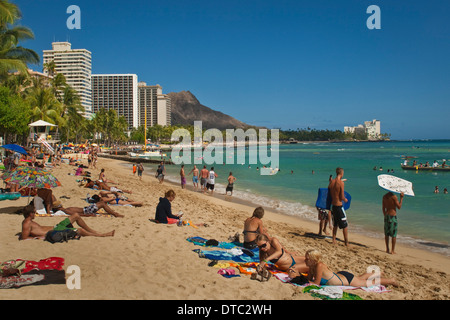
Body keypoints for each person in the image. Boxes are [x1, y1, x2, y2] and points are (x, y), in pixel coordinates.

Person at [303, 249, 398, 287]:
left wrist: (300, 280)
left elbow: (315, 283)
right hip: (341, 276)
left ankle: (391, 280)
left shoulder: (319, 266)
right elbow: (309, 280)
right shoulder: (312, 267)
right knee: (360, 278)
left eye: (307, 259)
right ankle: (377, 274)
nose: (305, 260)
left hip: (346, 280)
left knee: (369, 283)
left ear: (314, 260)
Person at [20, 205, 115, 240]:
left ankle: (93, 231)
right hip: (56, 231)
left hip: (56, 226)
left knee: (76, 215)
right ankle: (101, 235)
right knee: (79, 230)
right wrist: (39, 237)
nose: (35, 213)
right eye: (34, 212)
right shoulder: (26, 223)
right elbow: (24, 238)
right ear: (30, 213)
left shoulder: (30, 221)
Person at [328, 167, 349, 246]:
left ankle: (334, 240)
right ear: (342, 173)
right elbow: (341, 196)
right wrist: (345, 199)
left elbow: (329, 189)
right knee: (345, 225)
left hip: (333, 206)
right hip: (339, 206)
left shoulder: (332, 182)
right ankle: (346, 242)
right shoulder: (341, 183)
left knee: (335, 224)